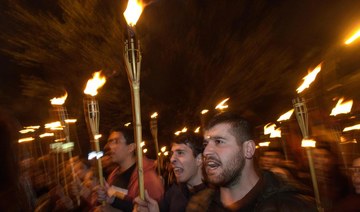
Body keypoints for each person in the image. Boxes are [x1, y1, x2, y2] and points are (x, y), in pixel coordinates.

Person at [187, 111, 316, 211]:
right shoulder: (199, 206)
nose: (206, 152)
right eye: (206, 144)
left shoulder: (291, 206)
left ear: (248, 149)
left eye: (219, 142)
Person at [94, 127, 164, 211]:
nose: (109, 147)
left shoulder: (147, 178)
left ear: (131, 147)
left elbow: (148, 209)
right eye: (109, 142)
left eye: (116, 142)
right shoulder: (113, 175)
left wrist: (113, 201)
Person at [133, 132, 207, 212]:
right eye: (172, 154)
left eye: (180, 153)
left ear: (199, 159)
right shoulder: (174, 192)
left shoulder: (216, 199)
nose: (172, 159)